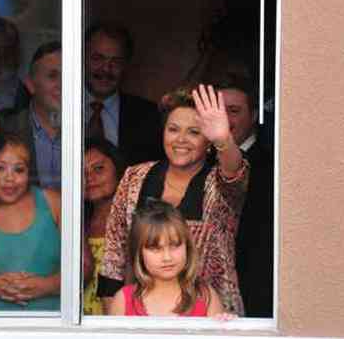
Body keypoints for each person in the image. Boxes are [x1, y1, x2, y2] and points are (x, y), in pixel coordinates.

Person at [98, 84, 249, 315]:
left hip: (210, 314)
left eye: (194, 132)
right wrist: (115, 316)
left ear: (208, 141)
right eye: (173, 129)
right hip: (142, 311)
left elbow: (235, 172)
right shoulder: (134, 177)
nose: (181, 139)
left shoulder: (219, 183)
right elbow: (113, 253)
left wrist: (224, 139)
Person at [0, 135, 62, 310]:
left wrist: (47, 285)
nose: (9, 178)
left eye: (19, 170)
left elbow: (85, 269)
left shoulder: (53, 202)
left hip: (52, 326)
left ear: (29, 173)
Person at [215, 75, 274, 317]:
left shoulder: (268, 166)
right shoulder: (201, 158)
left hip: (251, 288)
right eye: (219, 111)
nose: (225, 119)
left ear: (255, 115)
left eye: (234, 110)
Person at [107, 199, 227, 317]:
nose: (167, 257)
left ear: (187, 246)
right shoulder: (123, 301)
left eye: (175, 245)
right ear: (138, 253)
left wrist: (229, 326)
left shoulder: (206, 297)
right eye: (155, 248)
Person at [84, 22, 164, 166]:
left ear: (126, 65)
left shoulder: (150, 116)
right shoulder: (61, 108)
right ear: (82, 59)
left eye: (116, 62)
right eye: (97, 58)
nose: (106, 69)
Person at [3, 41, 61, 188]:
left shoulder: (85, 131)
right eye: (53, 76)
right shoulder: (5, 130)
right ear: (30, 84)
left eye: (69, 76)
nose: (62, 84)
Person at [83, 138, 126, 315]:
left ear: (118, 170)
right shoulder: (74, 224)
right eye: (82, 172)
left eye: (99, 169)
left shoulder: (133, 222)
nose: (89, 178)